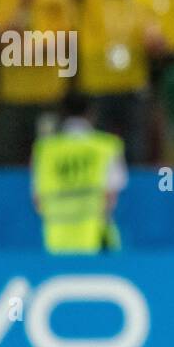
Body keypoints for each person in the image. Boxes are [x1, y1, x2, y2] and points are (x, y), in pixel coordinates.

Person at [31, 91, 127, 254]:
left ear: (61, 115)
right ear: (92, 114)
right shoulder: (107, 146)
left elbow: (38, 201)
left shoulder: (44, 150)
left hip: (55, 241)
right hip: (95, 239)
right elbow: (111, 196)